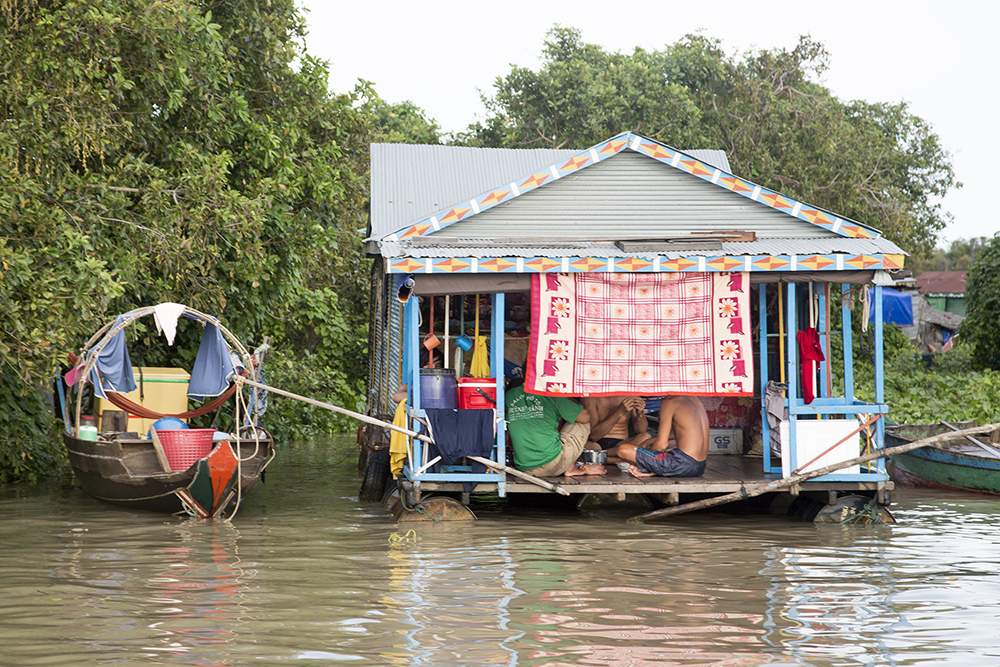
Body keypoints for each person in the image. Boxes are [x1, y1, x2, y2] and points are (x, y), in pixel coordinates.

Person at [505, 382, 605, 477]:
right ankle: (570, 468)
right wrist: (567, 398)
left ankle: (571, 465)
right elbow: (585, 417)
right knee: (581, 422)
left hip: (524, 468)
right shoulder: (551, 393)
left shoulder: (510, 395)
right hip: (553, 465)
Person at [608, 396, 709, 478]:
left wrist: (649, 465)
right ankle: (656, 469)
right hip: (700, 465)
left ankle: (652, 470)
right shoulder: (694, 399)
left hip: (681, 463)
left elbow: (661, 444)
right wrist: (649, 441)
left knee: (623, 449)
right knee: (641, 448)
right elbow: (685, 431)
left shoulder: (670, 401)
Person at [581, 395, 651, 451]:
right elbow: (594, 436)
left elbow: (641, 431)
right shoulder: (591, 398)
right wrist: (619, 412)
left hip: (621, 443)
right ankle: (615, 457)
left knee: (645, 437)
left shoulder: (631, 396)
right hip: (596, 443)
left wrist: (640, 414)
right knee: (587, 445)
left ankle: (604, 455)